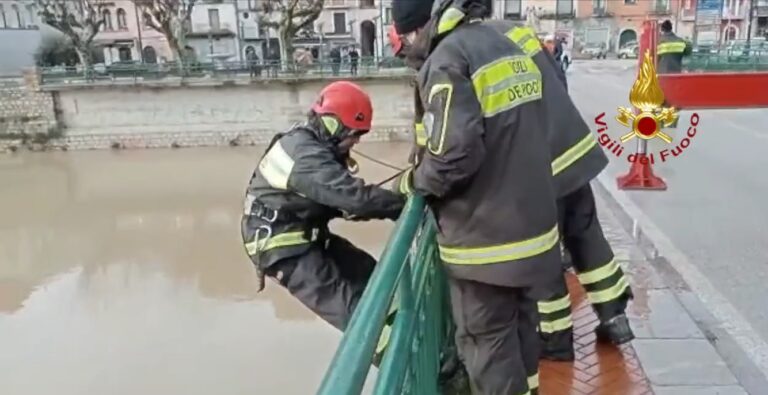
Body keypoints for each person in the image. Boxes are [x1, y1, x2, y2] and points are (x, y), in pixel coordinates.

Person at [390, 0, 567, 392]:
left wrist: (414, 183)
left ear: (419, 28)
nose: (407, 46)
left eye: (406, 36)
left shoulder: (447, 60)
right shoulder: (505, 44)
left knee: (486, 345)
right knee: (522, 330)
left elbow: (453, 154)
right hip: (532, 228)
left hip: (486, 243)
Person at [495, 22, 635, 361]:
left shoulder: (474, 48)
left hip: (540, 167)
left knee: (543, 253)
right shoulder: (516, 32)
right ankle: (615, 317)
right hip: (571, 148)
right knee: (585, 232)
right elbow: (557, 79)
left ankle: (555, 338)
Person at [239, 81, 405, 331]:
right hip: (285, 251)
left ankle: (414, 334)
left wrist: (379, 204)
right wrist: (402, 205)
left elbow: (344, 203)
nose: (356, 142)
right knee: (357, 316)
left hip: (309, 237)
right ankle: (410, 360)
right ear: (334, 126)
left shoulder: (311, 145)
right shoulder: (303, 154)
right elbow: (354, 199)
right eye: (355, 134)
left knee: (375, 278)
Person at [657, 19, 692, 128]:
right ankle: (671, 125)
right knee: (673, 101)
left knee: (661, 101)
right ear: (671, 29)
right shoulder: (680, 41)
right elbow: (688, 52)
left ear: (662, 29)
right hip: (676, 75)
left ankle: (661, 125)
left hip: (662, 76)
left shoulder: (659, 42)